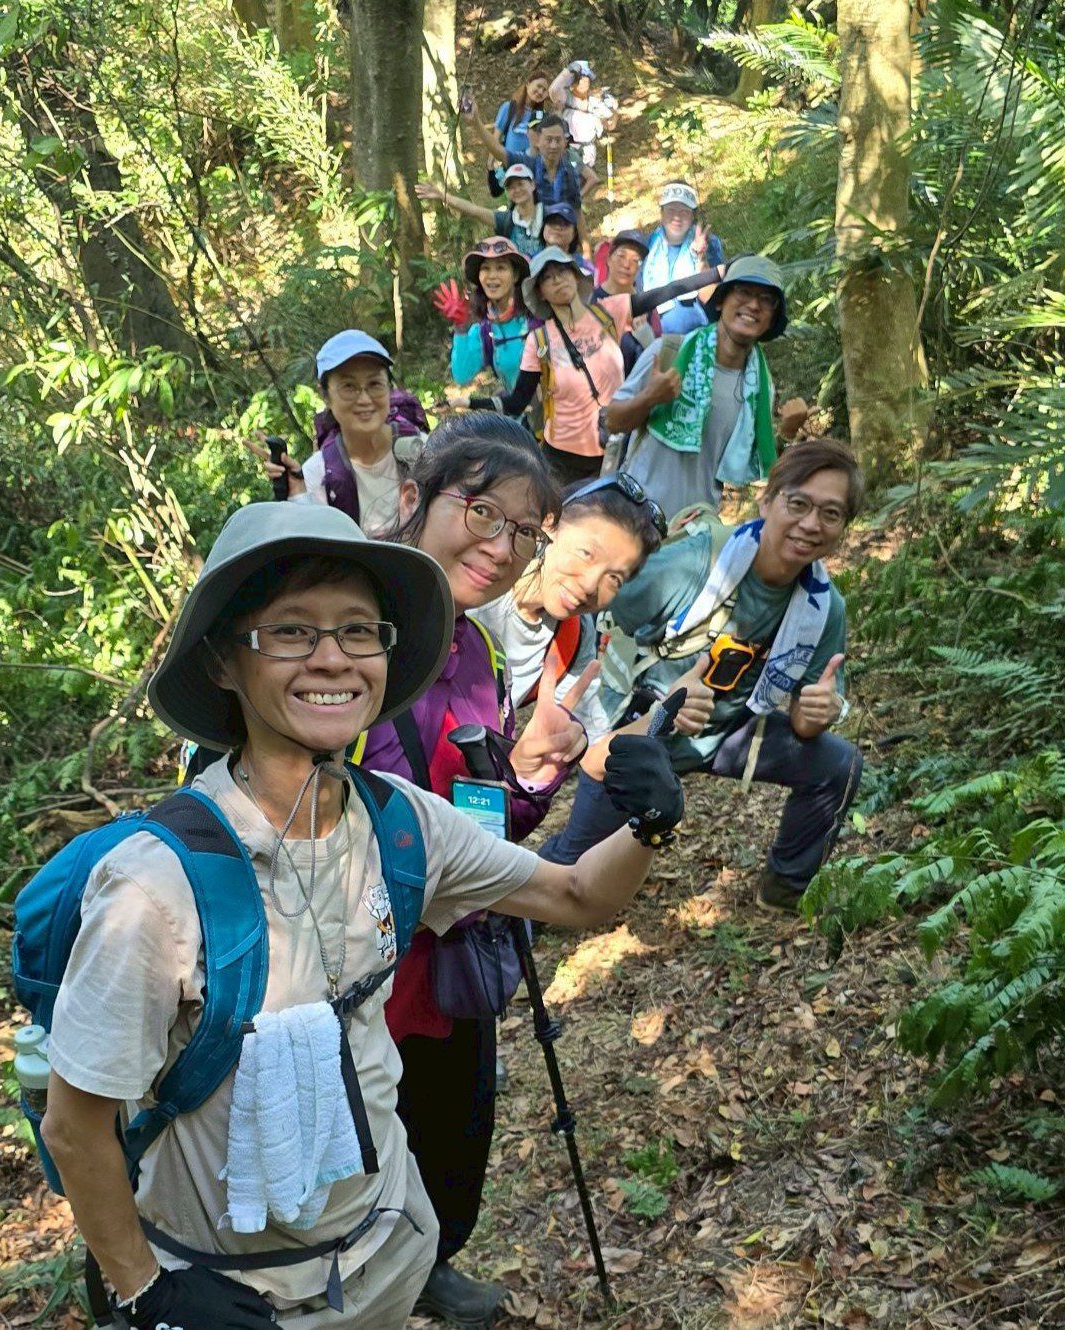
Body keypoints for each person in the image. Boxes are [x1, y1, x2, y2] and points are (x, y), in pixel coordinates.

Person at [40, 499, 684, 1330]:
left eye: (357, 631)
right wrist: (148, 1290)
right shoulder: (152, 886)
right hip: (231, 1293)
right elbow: (74, 1122)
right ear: (223, 664)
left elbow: (575, 896)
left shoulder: (397, 821)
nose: (331, 659)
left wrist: (646, 821)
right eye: (290, 632)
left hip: (386, 1253)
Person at [356, 417, 592, 1329]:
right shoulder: (345, 629)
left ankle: (427, 1270)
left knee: (454, 1149)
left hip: (450, 966)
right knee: (358, 1164)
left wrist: (532, 770)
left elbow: (486, 823)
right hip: (353, 973)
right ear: (416, 496)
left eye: (524, 532)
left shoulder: (477, 651)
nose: (500, 548)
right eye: (482, 511)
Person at [541, 439, 862, 913]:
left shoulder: (822, 606)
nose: (811, 524)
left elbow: (803, 725)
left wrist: (817, 712)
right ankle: (507, 928)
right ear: (767, 500)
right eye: (799, 504)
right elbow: (593, 615)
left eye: (831, 514)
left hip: (730, 730)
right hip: (641, 729)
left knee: (838, 764)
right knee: (570, 869)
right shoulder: (696, 564)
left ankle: (786, 888)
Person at [448, 247, 724, 488]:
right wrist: (469, 402)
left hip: (618, 447)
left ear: (575, 276)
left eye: (562, 271)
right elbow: (517, 401)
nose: (557, 280)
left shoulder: (608, 312)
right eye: (547, 277)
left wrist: (718, 273)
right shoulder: (539, 340)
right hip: (563, 462)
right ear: (540, 293)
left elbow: (668, 291)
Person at [608, 255, 809, 520]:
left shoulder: (758, 388)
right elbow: (612, 421)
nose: (753, 304)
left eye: (766, 300)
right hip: (632, 517)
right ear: (721, 300)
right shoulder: (669, 352)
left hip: (693, 532)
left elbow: (762, 469)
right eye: (743, 292)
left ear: (772, 319)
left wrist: (788, 433)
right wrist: (650, 397)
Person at [470, 473, 667, 734]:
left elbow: (593, 741)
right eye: (586, 553)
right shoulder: (476, 582)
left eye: (614, 578)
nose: (589, 585)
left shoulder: (573, 637)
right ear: (549, 522)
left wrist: (661, 717)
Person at [289, 331, 430, 535]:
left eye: (374, 384)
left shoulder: (422, 453)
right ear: (325, 395)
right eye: (348, 387)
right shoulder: (317, 474)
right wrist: (296, 495)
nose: (364, 399)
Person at [445, 238, 534, 394]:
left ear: (516, 275)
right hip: (516, 415)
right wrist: (460, 328)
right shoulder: (483, 331)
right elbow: (462, 376)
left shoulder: (536, 316)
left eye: (501, 268)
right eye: (485, 268)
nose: (492, 275)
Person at [640, 181, 725, 336]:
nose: (676, 217)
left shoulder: (708, 243)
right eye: (671, 210)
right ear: (662, 213)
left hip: (697, 333)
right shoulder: (648, 245)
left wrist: (701, 258)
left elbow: (714, 300)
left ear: (693, 216)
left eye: (684, 211)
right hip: (654, 333)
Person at [416, 164, 545, 257]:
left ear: (532, 185)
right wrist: (443, 196)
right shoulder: (506, 220)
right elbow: (474, 210)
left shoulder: (549, 215)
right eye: (511, 187)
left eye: (521, 184)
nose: (517, 190)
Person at [490, 115, 596, 211]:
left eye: (558, 140)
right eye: (535, 130)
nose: (553, 146)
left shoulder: (568, 166)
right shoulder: (523, 159)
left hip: (558, 222)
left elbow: (591, 179)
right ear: (528, 132)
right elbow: (498, 188)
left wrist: (575, 199)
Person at [595, 229, 653, 373]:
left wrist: (649, 340)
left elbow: (661, 360)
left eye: (635, 260)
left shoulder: (645, 304)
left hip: (640, 390)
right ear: (609, 259)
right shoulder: (591, 301)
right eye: (621, 256)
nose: (627, 265)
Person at [548, 60, 618, 169]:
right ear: (571, 85)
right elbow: (554, 90)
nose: (583, 82)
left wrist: (613, 113)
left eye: (586, 79)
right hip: (567, 150)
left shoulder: (596, 102)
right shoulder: (567, 99)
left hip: (587, 154)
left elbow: (610, 125)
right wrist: (571, 68)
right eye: (579, 80)